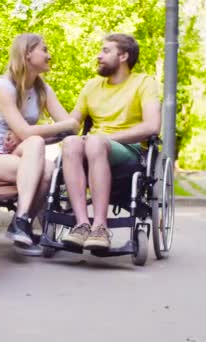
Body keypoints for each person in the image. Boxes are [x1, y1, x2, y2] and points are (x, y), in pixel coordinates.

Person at [0, 33, 79, 255]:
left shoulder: (43, 90)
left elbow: (71, 128)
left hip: (18, 154)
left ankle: (20, 224)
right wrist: (27, 134)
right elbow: (32, 130)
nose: (49, 55)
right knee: (39, 152)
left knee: (46, 164)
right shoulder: (4, 87)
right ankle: (22, 223)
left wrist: (26, 135)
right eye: (45, 50)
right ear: (27, 53)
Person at [60, 33, 162, 250]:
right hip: (93, 145)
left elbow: (152, 126)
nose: (99, 56)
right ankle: (81, 224)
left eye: (106, 51)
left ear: (123, 56)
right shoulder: (91, 86)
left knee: (95, 143)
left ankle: (100, 227)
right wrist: (30, 132)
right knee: (70, 143)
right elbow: (72, 123)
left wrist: (105, 138)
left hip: (128, 149)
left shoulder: (144, 83)